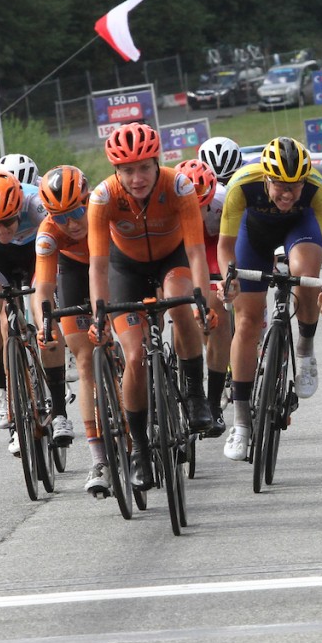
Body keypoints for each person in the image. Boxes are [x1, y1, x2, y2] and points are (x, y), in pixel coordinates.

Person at [87, 122, 213, 490]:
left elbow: (194, 251)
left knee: (180, 304)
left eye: (144, 167)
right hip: (123, 267)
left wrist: (202, 299)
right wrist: (99, 311)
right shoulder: (103, 197)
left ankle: (194, 393)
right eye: (127, 170)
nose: (137, 177)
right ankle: (140, 449)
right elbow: (96, 264)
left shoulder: (178, 185)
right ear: (115, 171)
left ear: (157, 163)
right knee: (135, 356)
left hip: (170, 258)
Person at [217, 137, 322, 461]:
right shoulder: (242, 184)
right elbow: (225, 246)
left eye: (295, 186)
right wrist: (229, 278)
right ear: (266, 179)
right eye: (280, 186)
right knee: (246, 322)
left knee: (305, 272)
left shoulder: (316, 187)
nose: (288, 194)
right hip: (254, 238)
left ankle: (305, 349)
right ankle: (242, 423)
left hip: (300, 232)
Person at [0, 171, 75, 456]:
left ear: (19, 208)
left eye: (8, 221)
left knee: (45, 314)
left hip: (38, 246)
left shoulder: (35, 202)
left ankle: (58, 411)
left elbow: (64, 247)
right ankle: (1, 389)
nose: (4, 230)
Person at [32, 165, 102, 494]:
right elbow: (43, 290)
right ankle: (99, 459)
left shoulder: (104, 209)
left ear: (87, 201)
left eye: (75, 212)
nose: (71, 224)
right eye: (60, 217)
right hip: (74, 267)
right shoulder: (49, 232)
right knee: (85, 360)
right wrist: (45, 324)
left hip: (114, 258)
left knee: (135, 337)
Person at [175, 157, 232, 438]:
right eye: (190, 207)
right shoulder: (170, 205)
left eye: (202, 206)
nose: (195, 212)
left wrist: (226, 281)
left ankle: (214, 403)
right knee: (176, 304)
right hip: (180, 247)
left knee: (218, 308)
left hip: (212, 245)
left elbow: (231, 244)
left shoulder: (223, 201)